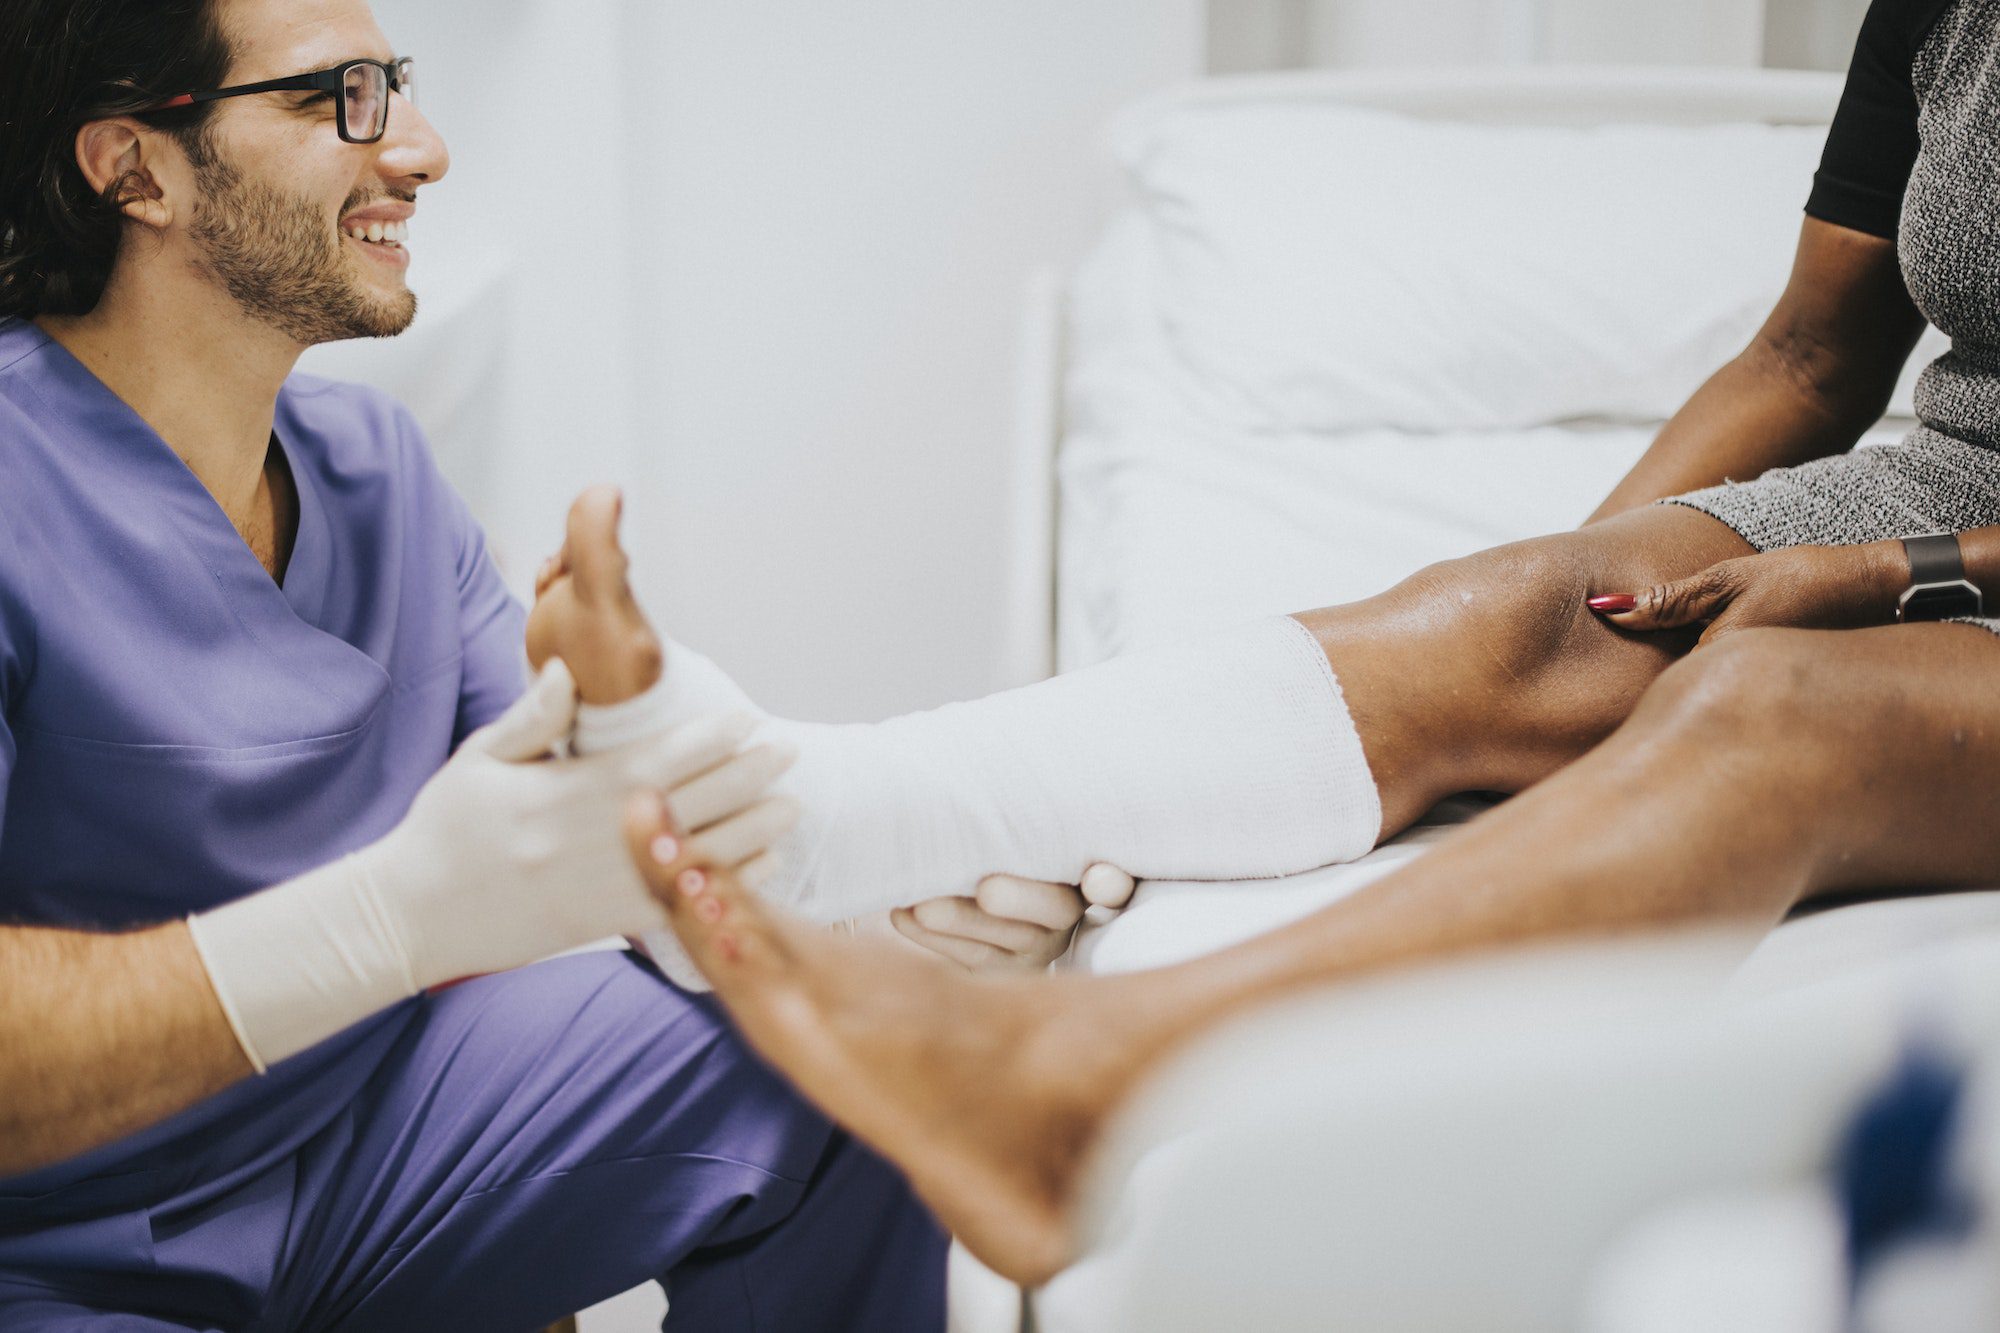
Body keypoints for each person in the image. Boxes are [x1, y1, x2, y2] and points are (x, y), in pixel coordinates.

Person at [558, 0, 2000, 1287]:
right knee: (1503, 628)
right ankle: (789, 810)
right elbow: (1810, 355)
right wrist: (1556, 617)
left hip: (1950, 543)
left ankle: (1078, 1087)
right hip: (1955, 474)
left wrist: (1903, 575)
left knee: (1779, 711)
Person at [0, 0, 1038, 1324]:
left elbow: (603, 840)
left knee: (844, 1064)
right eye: (341, 99)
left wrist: (869, 912)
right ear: (133, 165)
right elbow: (444, 902)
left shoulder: (376, 477)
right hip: (62, 1242)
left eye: (399, 86)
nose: (421, 150)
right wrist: (390, 920)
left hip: (367, 1138)